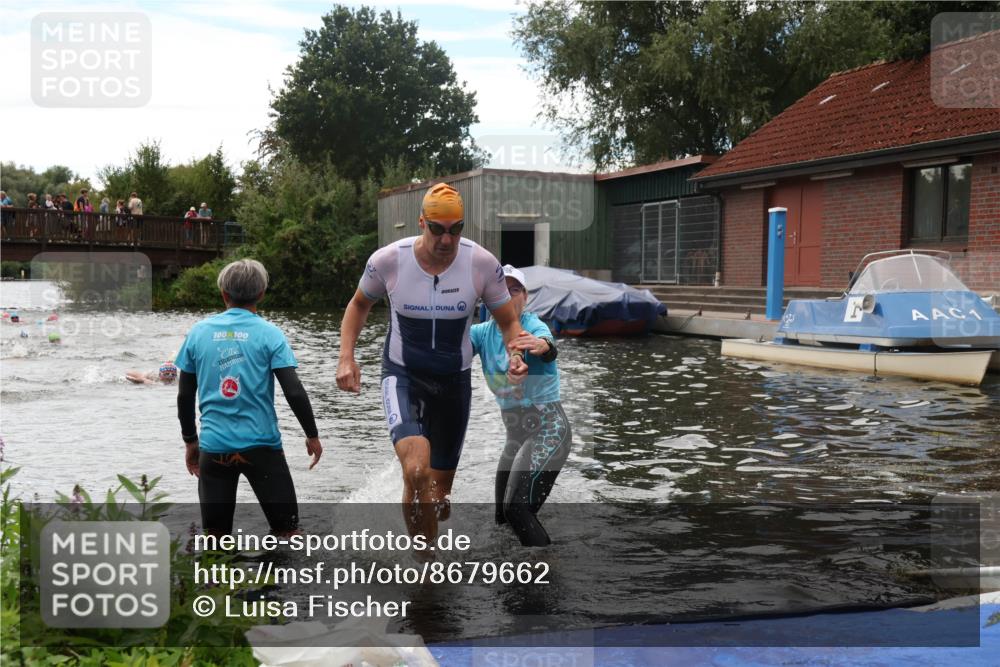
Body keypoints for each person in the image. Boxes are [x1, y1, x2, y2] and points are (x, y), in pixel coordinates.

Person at [336, 182, 528, 549]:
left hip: (453, 385)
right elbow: (358, 305)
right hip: (403, 375)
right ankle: (425, 571)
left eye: (455, 229)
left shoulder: (482, 264)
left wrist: (516, 356)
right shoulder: (389, 260)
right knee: (416, 470)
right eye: (437, 229)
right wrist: (347, 356)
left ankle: (420, 525)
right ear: (421, 222)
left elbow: (508, 323)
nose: (446, 239)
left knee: (439, 501)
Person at [176, 259, 323, 537]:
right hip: (263, 449)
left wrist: (190, 441)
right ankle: (283, 581)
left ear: (224, 294)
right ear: (262, 294)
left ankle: (221, 581)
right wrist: (312, 435)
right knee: (288, 534)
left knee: (216, 542)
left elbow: (185, 395)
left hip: (214, 448)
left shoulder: (198, 333)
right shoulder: (270, 334)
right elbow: (294, 390)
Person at [470, 265, 572, 547]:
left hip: (549, 431)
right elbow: (448, 351)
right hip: (515, 439)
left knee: (516, 509)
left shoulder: (533, 327)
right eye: (501, 290)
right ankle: (512, 574)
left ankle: (547, 570)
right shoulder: (481, 334)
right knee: (502, 518)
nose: (507, 295)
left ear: (525, 297)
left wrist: (542, 346)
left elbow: (547, 347)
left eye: (515, 290)